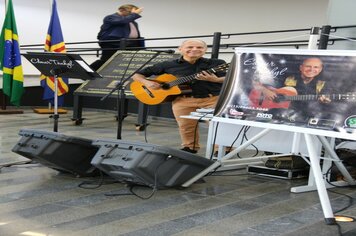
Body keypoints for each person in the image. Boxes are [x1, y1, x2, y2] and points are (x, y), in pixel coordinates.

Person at [132, 39, 227, 153]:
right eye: (190, 47)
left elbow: (231, 78)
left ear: (205, 50)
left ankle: (222, 150)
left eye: (199, 48)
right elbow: (136, 75)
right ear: (180, 49)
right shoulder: (168, 65)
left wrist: (215, 79)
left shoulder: (216, 63)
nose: (194, 49)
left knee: (217, 126)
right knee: (186, 126)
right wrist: (147, 83)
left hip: (212, 99)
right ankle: (190, 147)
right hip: (183, 101)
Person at [252, 57, 331, 123]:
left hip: (302, 117)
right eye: (308, 66)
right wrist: (265, 90)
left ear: (320, 69)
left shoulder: (322, 84)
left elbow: (327, 101)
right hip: (275, 112)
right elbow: (254, 81)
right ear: (301, 67)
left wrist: (325, 101)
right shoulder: (286, 77)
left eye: (316, 67)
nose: (311, 69)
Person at [90, 4, 144, 71]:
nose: (132, 15)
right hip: (113, 44)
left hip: (131, 44)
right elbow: (122, 21)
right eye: (130, 13)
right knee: (106, 61)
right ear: (121, 10)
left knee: (128, 63)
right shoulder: (111, 17)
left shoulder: (131, 21)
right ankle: (88, 72)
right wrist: (134, 14)